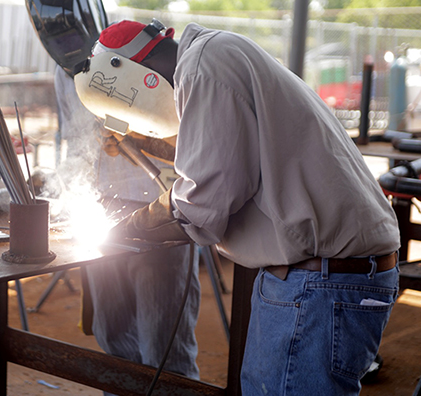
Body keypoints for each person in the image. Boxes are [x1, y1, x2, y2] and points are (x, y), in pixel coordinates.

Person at [87, 20, 401, 395]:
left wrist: (128, 225)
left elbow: (201, 200)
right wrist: (145, 142)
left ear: (135, 74)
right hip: (324, 277)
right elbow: (233, 153)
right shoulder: (216, 53)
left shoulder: (202, 69)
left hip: (318, 284)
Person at [53, 63, 201, 389]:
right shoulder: (61, 71)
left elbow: (191, 146)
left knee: (163, 347)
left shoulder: (139, 61)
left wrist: (137, 138)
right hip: (103, 208)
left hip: (160, 210)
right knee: (113, 334)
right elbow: (71, 138)